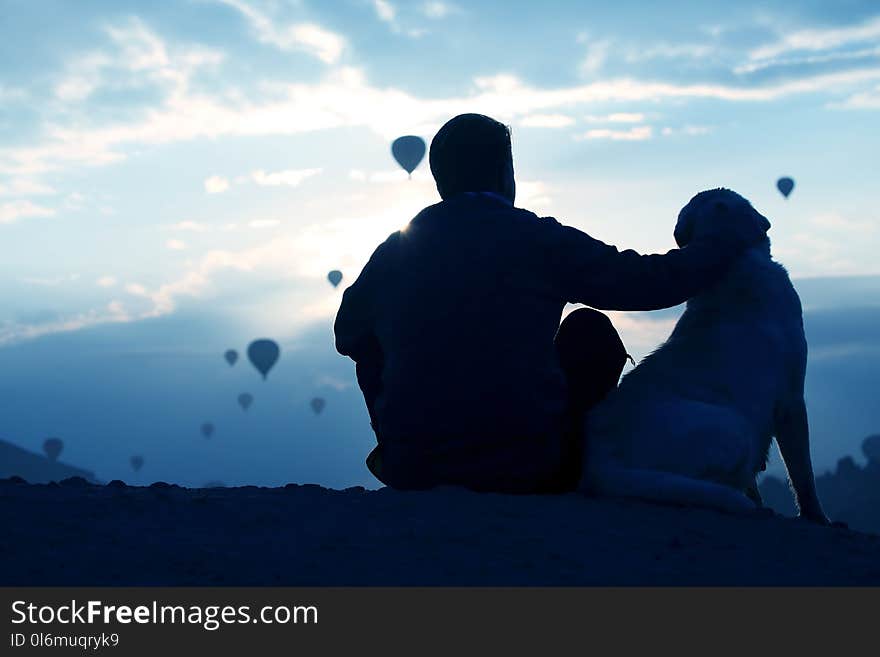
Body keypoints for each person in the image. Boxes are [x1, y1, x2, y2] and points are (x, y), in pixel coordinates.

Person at [334, 113, 769, 494]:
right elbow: (646, 283)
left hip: (415, 470)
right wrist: (720, 242)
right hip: (532, 470)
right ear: (507, 174)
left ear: (439, 180)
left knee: (368, 345)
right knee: (589, 331)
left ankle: (403, 444)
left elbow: (347, 333)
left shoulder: (395, 250)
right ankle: (577, 457)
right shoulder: (538, 239)